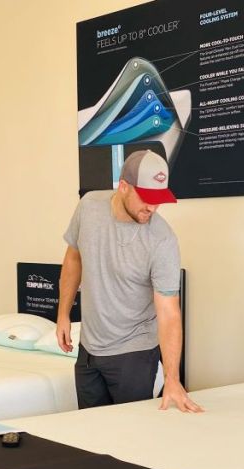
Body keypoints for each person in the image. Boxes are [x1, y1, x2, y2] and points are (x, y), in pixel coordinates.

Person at [56, 149, 201, 412]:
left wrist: (172, 379)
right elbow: (73, 258)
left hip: (134, 354)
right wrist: (63, 314)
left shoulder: (162, 240)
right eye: (146, 198)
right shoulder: (89, 206)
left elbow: (169, 313)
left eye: (159, 200)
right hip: (89, 350)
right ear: (123, 187)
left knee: (130, 436)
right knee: (90, 437)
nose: (153, 208)